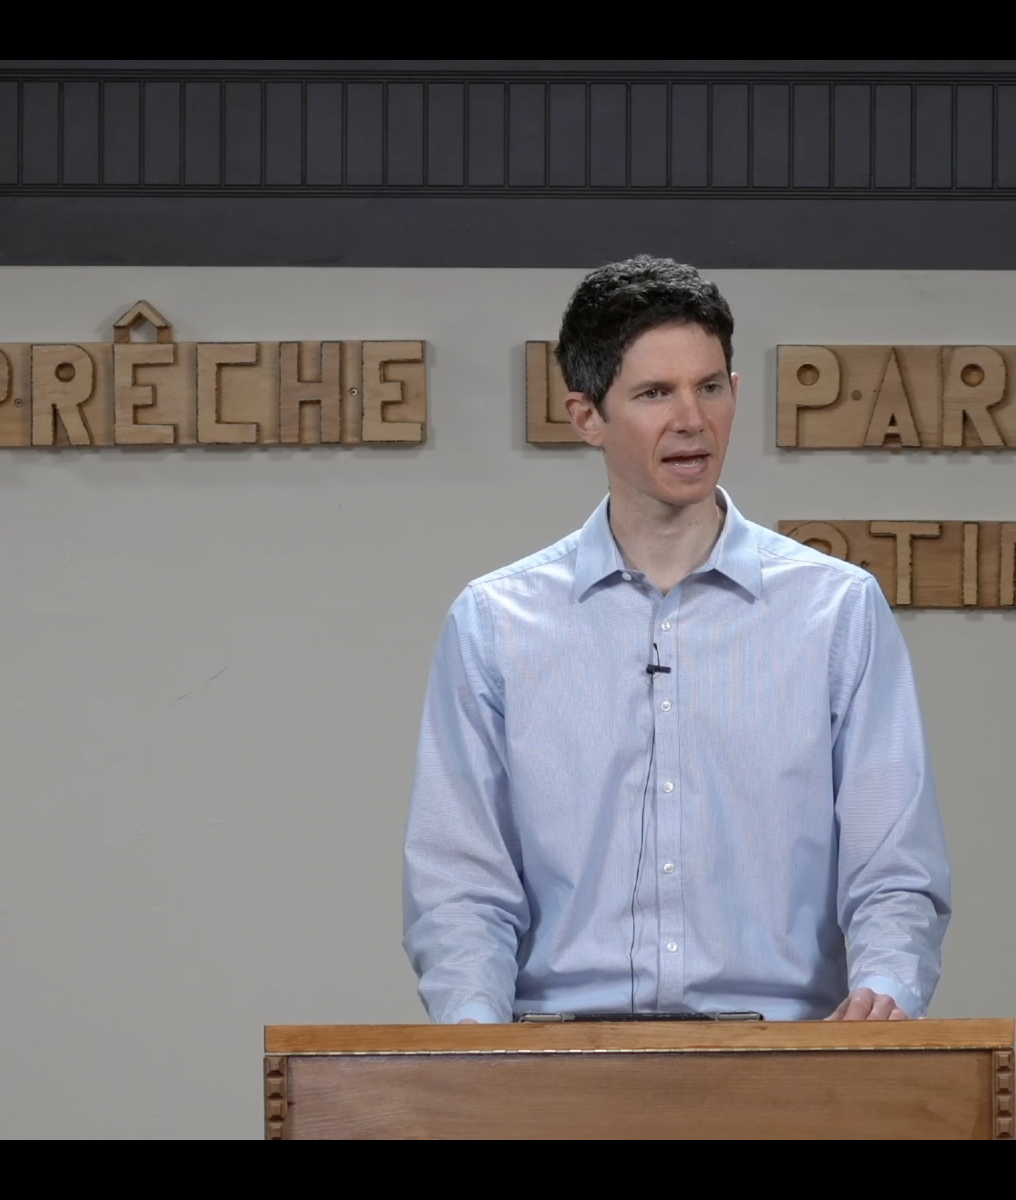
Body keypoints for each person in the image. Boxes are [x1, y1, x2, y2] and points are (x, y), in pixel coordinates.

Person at [403, 256, 951, 1024]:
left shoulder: (837, 612)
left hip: (788, 1059)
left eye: (711, 387)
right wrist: (482, 1052)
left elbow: (893, 871)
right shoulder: (495, 623)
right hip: (559, 1061)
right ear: (587, 416)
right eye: (656, 393)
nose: (693, 419)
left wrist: (883, 998)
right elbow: (461, 888)